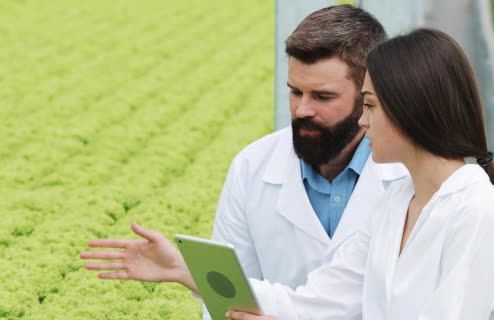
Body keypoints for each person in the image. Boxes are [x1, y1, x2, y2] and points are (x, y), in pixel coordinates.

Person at [80, 2, 407, 307]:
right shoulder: (252, 167)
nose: (302, 109)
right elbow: (228, 298)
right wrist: (188, 272)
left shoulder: (409, 176)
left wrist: (188, 271)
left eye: (322, 96)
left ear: (367, 96)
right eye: (295, 92)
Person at [224, 28, 494, 319]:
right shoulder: (395, 204)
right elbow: (317, 302)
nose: (361, 121)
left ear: (410, 110)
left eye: (370, 105)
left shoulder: (478, 212)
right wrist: (190, 273)